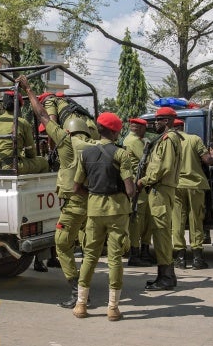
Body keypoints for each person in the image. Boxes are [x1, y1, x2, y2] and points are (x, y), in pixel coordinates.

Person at [18, 76, 98, 307]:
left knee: (62, 244)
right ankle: (89, 284)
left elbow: (42, 114)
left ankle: (78, 291)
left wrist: (29, 89)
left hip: (73, 204)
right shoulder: (97, 145)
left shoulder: (64, 141)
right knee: (89, 246)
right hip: (94, 202)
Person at [71, 112, 134, 321]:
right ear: (116, 132)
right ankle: (113, 308)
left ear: (98, 129)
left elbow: (76, 187)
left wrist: (93, 196)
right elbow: (130, 189)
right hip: (117, 211)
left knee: (90, 256)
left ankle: (81, 305)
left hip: (94, 210)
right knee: (114, 258)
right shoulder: (121, 154)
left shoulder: (86, 154)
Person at [136, 106, 182, 291]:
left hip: (161, 189)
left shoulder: (169, 139)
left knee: (161, 233)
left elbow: (165, 166)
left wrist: (144, 180)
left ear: (167, 122)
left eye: (159, 120)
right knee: (159, 232)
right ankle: (163, 275)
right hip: (158, 190)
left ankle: (167, 277)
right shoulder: (164, 139)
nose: (155, 123)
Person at [172, 126, 213, 270]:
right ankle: (197, 258)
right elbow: (208, 160)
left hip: (176, 185)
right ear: (183, 127)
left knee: (178, 221)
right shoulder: (194, 139)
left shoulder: (168, 142)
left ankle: (180, 259)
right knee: (195, 219)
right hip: (195, 185)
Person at [0, 90, 49, 173]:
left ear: (3, 105)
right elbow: (31, 153)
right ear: (20, 106)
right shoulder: (22, 122)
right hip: (9, 167)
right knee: (44, 162)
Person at [123, 117, 155, 267]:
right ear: (139, 128)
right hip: (138, 186)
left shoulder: (139, 140)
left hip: (144, 185)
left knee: (147, 220)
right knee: (137, 221)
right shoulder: (133, 141)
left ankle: (144, 251)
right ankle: (135, 254)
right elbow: (148, 160)